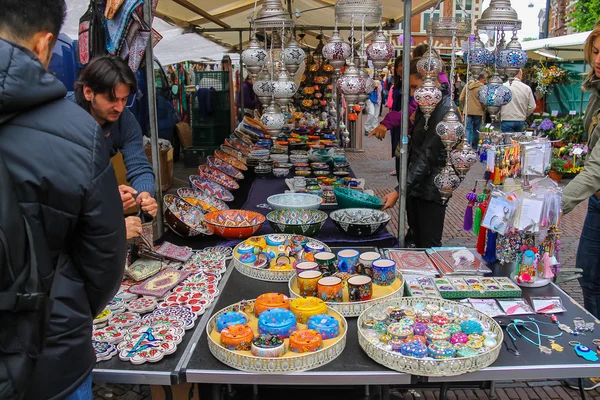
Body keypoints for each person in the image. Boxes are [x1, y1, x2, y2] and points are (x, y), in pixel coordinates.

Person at [0, 1, 126, 398]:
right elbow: (104, 257)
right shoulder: (78, 131)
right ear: (43, 44)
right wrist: (69, 308)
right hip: (51, 348)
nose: (119, 109)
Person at [73, 56, 158, 237]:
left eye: (124, 99)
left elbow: (139, 166)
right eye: (112, 99)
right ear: (88, 92)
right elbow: (61, 190)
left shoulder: (125, 120)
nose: (119, 107)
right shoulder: (66, 118)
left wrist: (144, 195)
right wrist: (104, 198)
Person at [373, 58, 451, 248]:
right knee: (417, 238)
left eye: (415, 87)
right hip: (418, 185)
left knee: (428, 244)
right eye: (411, 88)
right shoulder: (428, 107)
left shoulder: (444, 110)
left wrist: (399, 191)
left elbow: (427, 156)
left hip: (431, 188)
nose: (413, 94)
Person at [562, 25, 600, 391]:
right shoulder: (595, 91)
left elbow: (597, 168)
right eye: (597, 51)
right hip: (599, 204)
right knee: (589, 278)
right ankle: (591, 359)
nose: (599, 59)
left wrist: (555, 205)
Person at [459, 73, 487, 149]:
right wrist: (483, 108)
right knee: (476, 130)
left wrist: (465, 105)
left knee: (467, 129)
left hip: (467, 110)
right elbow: (484, 101)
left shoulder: (467, 85)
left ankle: (466, 147)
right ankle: (474, 147)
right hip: (478, 111)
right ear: (481, 79)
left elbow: (461, 98)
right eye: (485, 79)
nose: (485, 81)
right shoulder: (483, 87)